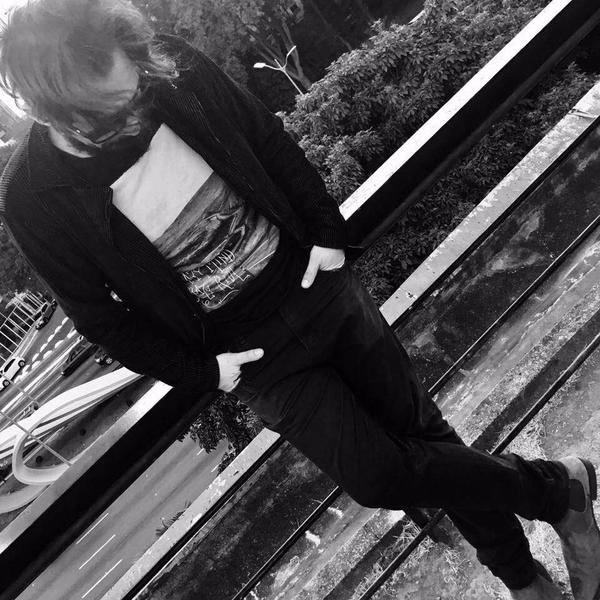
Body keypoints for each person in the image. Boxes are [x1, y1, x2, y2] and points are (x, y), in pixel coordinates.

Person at [0, 1, 598, 598]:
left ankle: (525, 580)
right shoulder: (32, 196)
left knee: (425, 437)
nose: (138, 100)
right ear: (60, 108)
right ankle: (557, 489)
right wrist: (203, 372)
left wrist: (325, 234)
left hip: (316, 285)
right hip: (252, 357)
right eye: (116, 105)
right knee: (378, 477)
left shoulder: (165, 63)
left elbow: (265, 135)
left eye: (135, 79)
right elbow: (99, 318)